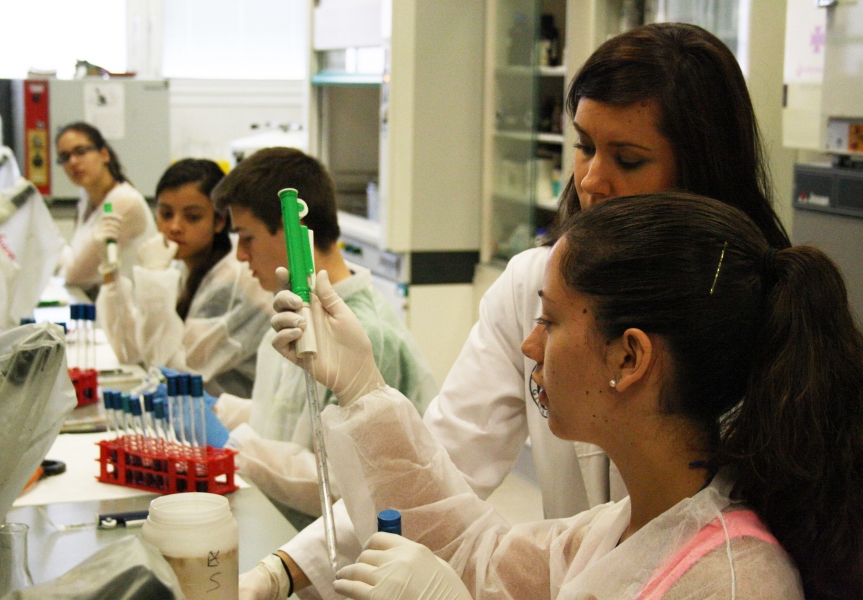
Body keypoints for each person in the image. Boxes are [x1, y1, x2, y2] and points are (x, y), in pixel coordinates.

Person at [239, 23, 792, 600]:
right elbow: (450, 505)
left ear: (632, 356)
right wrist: (283, 567)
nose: (590, 181)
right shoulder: (595, 536)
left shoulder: (734, 567)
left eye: (627, 159)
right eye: (583, 146)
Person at [277, 193, 863, 599]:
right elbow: (474, 557)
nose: (530, 345)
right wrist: (362, 389)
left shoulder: (733, 580)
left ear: (629, 357)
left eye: (551, 322)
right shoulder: (623, 530)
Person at [200, 147, 437, 528]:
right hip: (281, 524)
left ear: (292, 230)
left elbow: (346, 486)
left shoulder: (366, 334)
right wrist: (221, 410)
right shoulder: (298, 308)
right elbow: (290, 416)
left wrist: (235, 447)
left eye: (246, 237)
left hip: (340, 554)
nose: (241, 256)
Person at [95, 159, 272, 398]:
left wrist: (155, 279)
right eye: (166, 214)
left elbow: (173, 373)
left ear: (219, 221)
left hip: (230, 425)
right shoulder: (180, 268)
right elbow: (131, 351)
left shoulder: (232, 280)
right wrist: (109, 270)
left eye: (192, 217)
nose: (175, 227)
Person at [55, 122, 156, 290]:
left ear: (104, 154)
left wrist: (52, 247)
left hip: (132, 309)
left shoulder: (123, 201)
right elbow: (74, 261)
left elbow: (75, 274)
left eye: (80, 152)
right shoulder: (87, 198)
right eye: (65, 157)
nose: (73, 162)